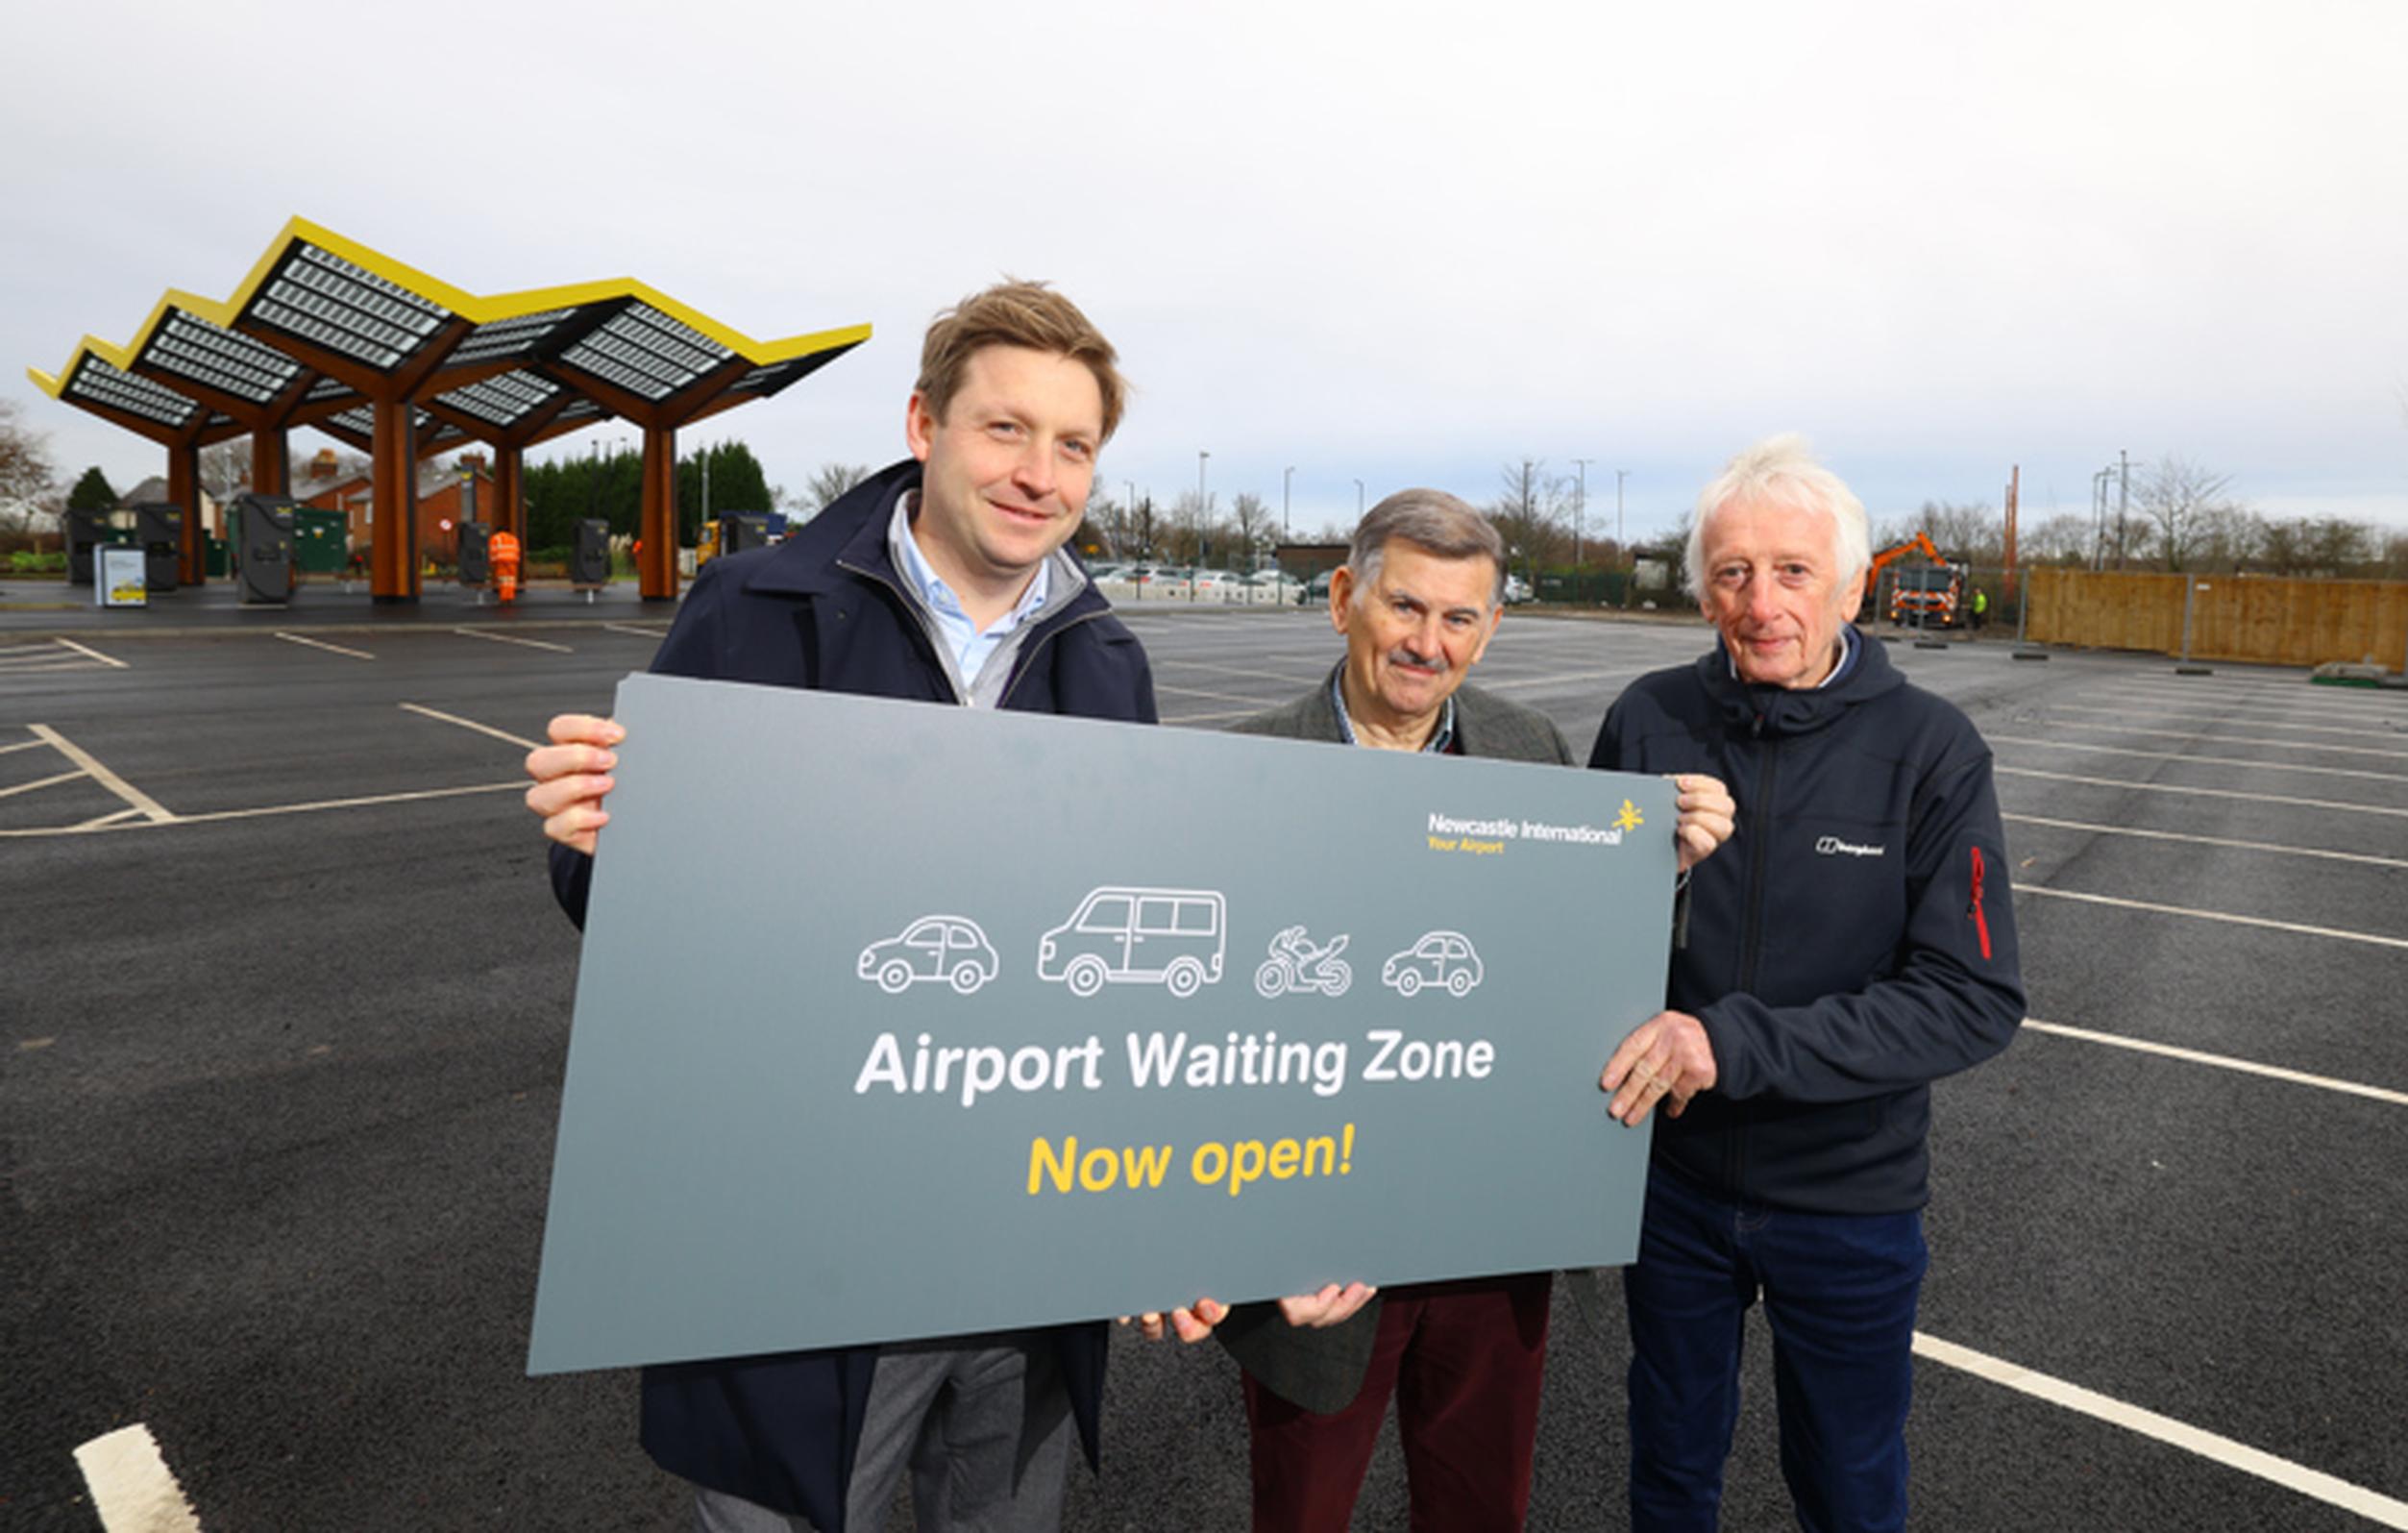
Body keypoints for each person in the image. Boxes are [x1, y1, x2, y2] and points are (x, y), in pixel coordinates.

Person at [522, 281, 1155, 1533]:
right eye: (1005, 428)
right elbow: (622, 903)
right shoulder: (753, 607)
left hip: (1017, 1247)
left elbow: (1117, 945)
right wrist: (599, 837)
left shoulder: (1108, 662)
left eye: (1073, 444)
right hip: (797, 1239)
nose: (1039, 474)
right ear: (923, 423)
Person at [1196, 490, 1733, 1533]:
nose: (1426, 642)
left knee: (1481, 1505)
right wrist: (1234, 1231)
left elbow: (1576, 962)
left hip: (1491, 1234)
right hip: (1315, 1247)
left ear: (1489, 630)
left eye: (1458, 618)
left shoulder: (1528, 749)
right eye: (1404, 606)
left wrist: (1653, 872)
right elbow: (1199, 1037)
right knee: (1302, 1510)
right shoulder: (1242, 771)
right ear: (1343, 599)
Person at [1587, 434, 2025, 1533]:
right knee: (1669, 1465)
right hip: (1671, 1184)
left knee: (1848, 1483)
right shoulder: (1647, 718)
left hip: (1847, 1200)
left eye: (1792, 570)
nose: (1761, 602)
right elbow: (1577, 937)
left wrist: (1729, 1044)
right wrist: (1648, 879)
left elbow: (1970, 995)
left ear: (1851, 587)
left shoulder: (1931, 748)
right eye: (1733, 572)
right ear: (1702, 591)